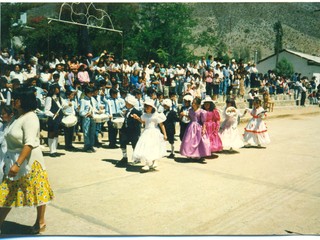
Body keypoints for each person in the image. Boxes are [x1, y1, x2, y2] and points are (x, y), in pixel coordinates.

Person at [0, 87, 54, 234]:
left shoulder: (30, 117)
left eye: (16, 99)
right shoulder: (19, 117)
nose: (13, 102)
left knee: (38, 192)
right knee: (6, 193)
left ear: (23, 101)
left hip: (29, 162)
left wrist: (18, 164)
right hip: (14, 160)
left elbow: (29, 143)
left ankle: (40, 222)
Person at [131, 99, 167, 172]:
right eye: (145, 107)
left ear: (152, 107)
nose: (146, 108)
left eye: (148, 107)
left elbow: (161, 125)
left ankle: (155, 161)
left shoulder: (156, 115)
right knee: (146, 147)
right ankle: (147, 163)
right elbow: (143, 122)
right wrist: (137, 118)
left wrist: (165, 134)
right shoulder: (144, 115)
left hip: (155, 132)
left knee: (154, 147)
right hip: (146, 132)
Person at [180, 97, 211, 163]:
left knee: (198, 141)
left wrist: (204, 129)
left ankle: (198, 155)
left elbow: (203, 121)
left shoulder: (201, 111)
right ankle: (190, 154)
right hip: (191, 126)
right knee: (189, 141)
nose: (193, 104)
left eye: (194, 103)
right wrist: (185, 115)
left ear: (198, 104)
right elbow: (190, 118)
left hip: (198, 127)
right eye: (192, 103)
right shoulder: (190, 110)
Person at [116, 94, 142, 167]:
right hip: (126, 131)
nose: (125, 104)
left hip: (133, 132)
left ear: (130, 103)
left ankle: (137, 158)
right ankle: (124, 157)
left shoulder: (137, 112)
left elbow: (139, 122)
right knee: (123, 143)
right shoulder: (127, 111)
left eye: (126, 102)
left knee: (134, 145)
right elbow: (125, 120)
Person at [44, 83, 64, 157]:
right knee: (51, 134)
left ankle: (55, 150)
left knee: (56, 134)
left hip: (58, 119)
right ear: (53, 89)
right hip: (52, 119)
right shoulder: (49, 98)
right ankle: (51, 151)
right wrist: (53, 114)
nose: (58, 89)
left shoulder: (59, 98)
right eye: (57, 88)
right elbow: (46, 111)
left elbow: (61, 107)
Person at [79, 86, 96, 153]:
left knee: (92, 132)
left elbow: (95, 108)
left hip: (93, 117)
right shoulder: (83, 101)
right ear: (87, 93)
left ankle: (91, 145)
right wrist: (86, 114)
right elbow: (81, 112)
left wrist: (98, 111)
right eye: (90, 93)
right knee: (86, 132)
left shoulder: (93, 99)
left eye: (92, 93)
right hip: (87, 118)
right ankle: (87, 146)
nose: (92, 94)